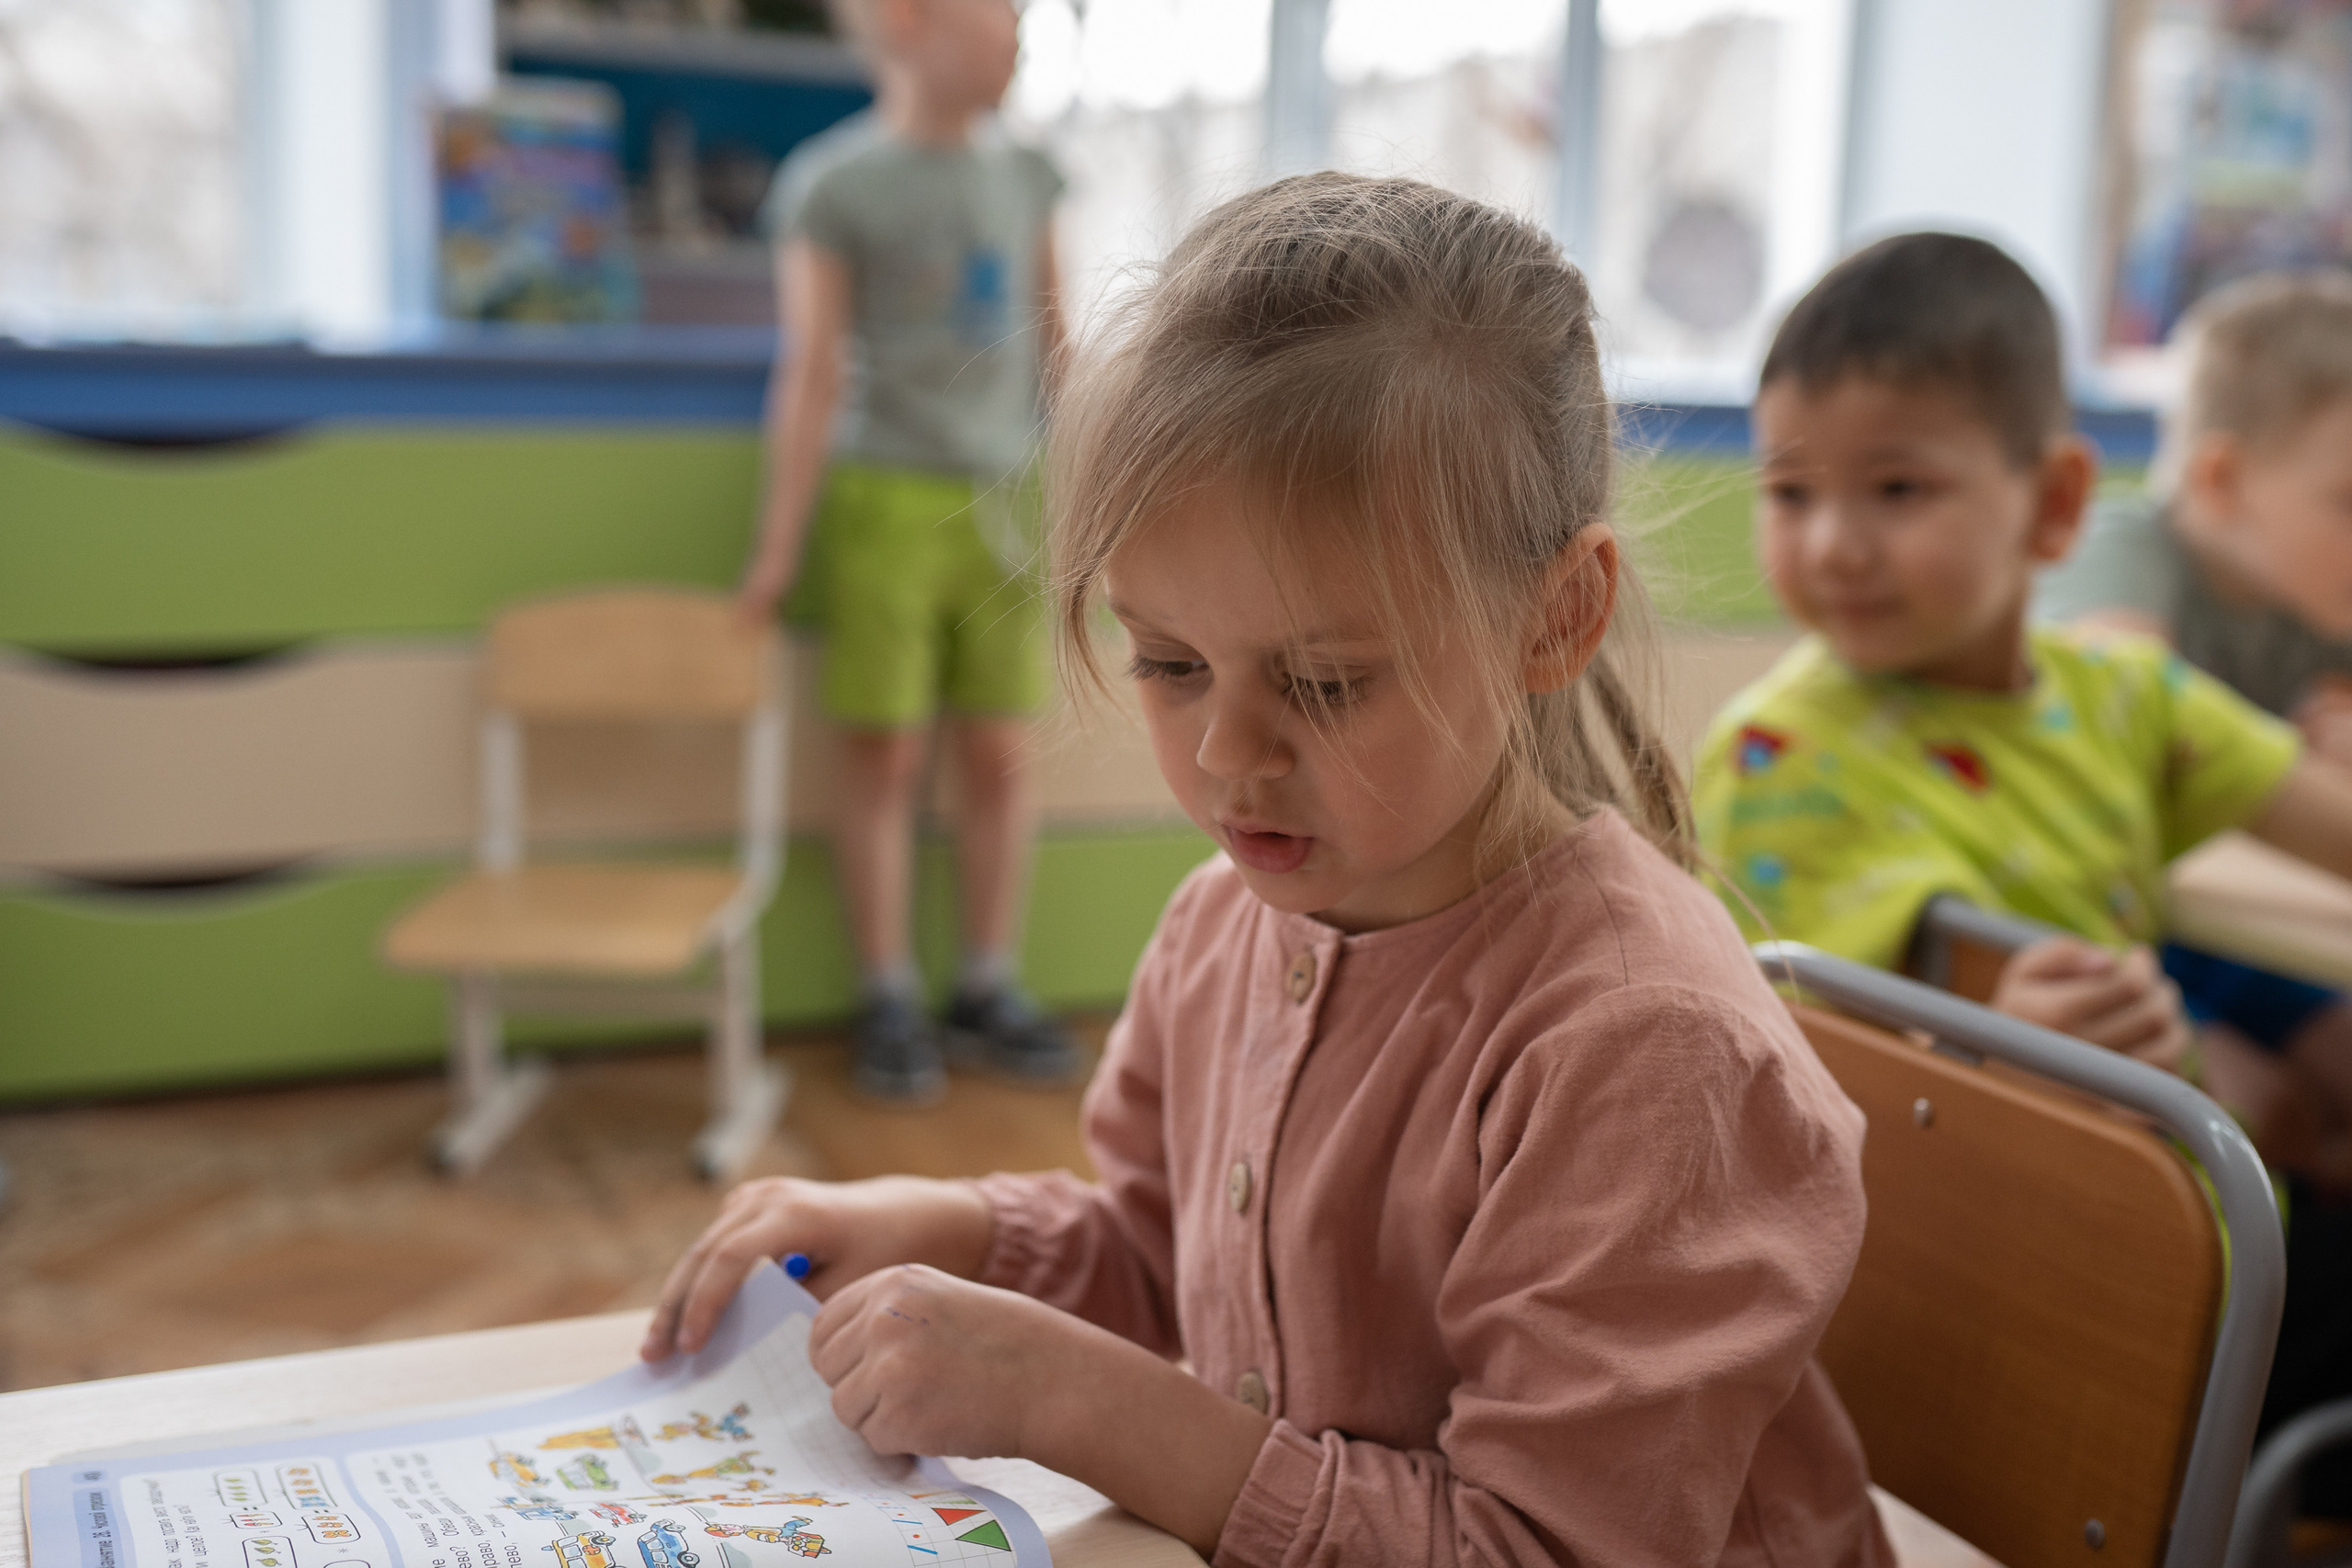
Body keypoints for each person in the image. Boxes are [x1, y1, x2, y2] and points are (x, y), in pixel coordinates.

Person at [640, 175, 1893, 1567]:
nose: (1228, 752)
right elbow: (1173, 1261)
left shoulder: (1646, 1049)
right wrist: (950, 1225)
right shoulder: (1225, 922)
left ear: (1557, 617)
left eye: (1325, 681)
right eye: (1168, 662)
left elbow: (1539, 1549)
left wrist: (1077, 1398)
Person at [1691, 231, 2352, 1179]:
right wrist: (1987, 1069)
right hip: (1997, 1228)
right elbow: (1771, 1117)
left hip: (2190, 1218)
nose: (1833, 545)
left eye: (1897, 488)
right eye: (1790, 492)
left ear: (2053, 502)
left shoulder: (2129, 694)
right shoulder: (1774, 753)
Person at [740, 0, 1080, 1104]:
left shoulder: (1029, 173)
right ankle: (885, 990)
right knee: (883, 757)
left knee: (998, 754)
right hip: (883, 499)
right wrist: (777, 548)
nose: (1017, 32)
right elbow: (811, 369)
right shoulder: (832, 184)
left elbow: (1058, 345)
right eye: (999, 14)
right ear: (910, 21)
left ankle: (985, 983)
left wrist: (1099, 507)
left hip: (1009, 504)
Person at [2038, 271, 2352, 746]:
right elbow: (2125, 723)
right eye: (2350, 503)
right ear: (2223, 481)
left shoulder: (2315, 595)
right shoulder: (2111, 550)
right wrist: (2298, 759)